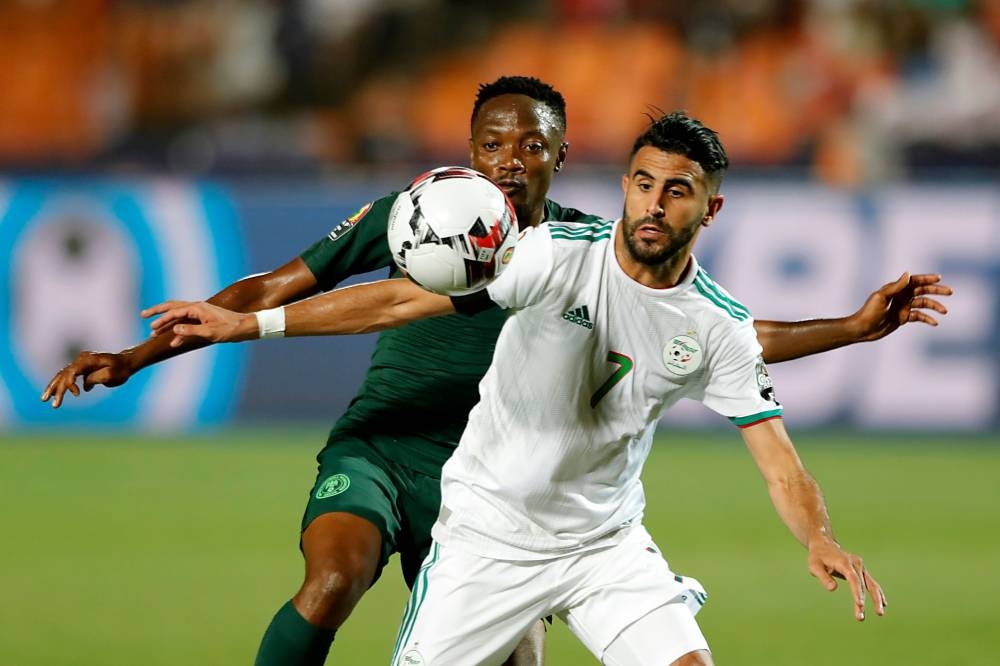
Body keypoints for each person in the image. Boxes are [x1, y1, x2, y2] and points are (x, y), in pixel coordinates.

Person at [41, 77, 947, 666]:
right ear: (468, 148)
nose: (509, 163)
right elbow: (376, 297)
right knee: (329, 585)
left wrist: (851, 330)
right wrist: (170, 345)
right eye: (492, 146)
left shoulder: (586, 246)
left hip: (569, 518)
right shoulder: (437, 218)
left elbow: (721, 337)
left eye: (531, 147)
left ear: (559, 154)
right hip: (414, 460)